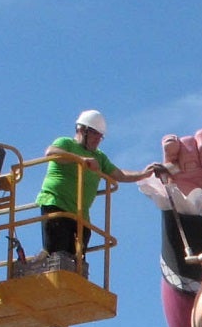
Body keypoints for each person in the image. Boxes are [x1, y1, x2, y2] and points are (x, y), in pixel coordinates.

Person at [35, 109, 160, 259]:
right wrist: (81, 160)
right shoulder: (65, 143)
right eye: (95, 133)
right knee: (57, 257)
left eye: (101, 136)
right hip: (57, 205)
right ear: (82, 130)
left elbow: (119, 174)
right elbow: (51, 152)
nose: (98, 139)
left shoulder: (99, 157)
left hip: (81, 216)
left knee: (76, 263)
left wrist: (143, 174)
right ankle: (40, 263)